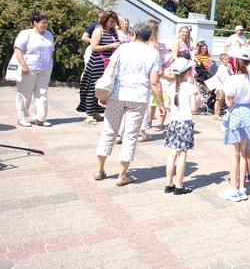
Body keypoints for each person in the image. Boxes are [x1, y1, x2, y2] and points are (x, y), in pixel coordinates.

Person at [94, 22, 164, 186]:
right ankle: (122, 174)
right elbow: (154, 82)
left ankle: (99, 169)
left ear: (133, 34)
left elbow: (109, 69)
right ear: (149, 37)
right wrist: (161, 103)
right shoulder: (153, 53)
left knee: (109, 131)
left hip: (117, 94)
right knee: (131, 135)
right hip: (138, 97)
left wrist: (104, 91)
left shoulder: (123, 48)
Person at [218, 48, 250, 202]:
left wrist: (222, 93)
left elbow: (229, 103)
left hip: (236, 115)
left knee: (234, 152)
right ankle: (242, 187)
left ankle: (233, 188)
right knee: (243, 151)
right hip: (248, 114)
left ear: (235, 61)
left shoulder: (232, 80)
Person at [13, 11, 55, 127]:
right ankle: (22, 118)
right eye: (43, 22)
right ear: (35, 23)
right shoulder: (26, 34)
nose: (45, 25)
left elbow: (51, 50)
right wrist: (24, 66)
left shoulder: (49, 34)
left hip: (45, 69)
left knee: (42, 94)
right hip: (29, 69)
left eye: (47, 22)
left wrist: (50, 63)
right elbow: (18, 50)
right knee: (24, 94)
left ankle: (40, 118)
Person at [77, 10, 120, 124]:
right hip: (97, 62)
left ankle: (97, 111)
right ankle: (89, 114)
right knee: (93, 87)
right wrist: (110, 46)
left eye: (115, 21)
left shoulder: (113, 31)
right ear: (105, 20)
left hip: (108, 63)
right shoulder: (98, 31)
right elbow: (94, 47)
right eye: (111, 21)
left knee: (103, 87)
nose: (113, 24)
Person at [164, 57, 197, 195]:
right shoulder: (191, 88)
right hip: (185, 122)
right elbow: (194, 108)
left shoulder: (170, 87)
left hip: (173, 122)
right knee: (182, 155)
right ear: (188, 72)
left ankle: (168, 184)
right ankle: (179, 185)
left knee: (172, 154)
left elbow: (167, 106)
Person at [214, 53, 231, 120]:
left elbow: (230, 73)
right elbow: (219, 77)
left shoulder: (229, 66)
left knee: (221, 100)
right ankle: (216, 114)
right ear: (221, 60)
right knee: (218, 99)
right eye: (225, 59)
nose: (227, 60)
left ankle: (218, 112)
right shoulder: (221, 68)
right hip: (220, 86)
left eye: (228, 59)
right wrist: (218, 87)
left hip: (226, 85)